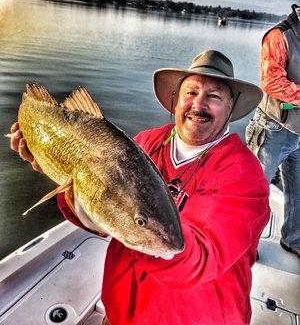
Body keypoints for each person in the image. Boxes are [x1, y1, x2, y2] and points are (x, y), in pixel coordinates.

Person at [10, 49, 270, 325]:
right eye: (190, 93)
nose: (198, 105)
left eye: (214, 96)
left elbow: (199, 258)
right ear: (176, 99)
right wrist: (55, 169)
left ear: (231, 106)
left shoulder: (245, 175)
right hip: (123, 312)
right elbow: (101, 215)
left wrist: (142, 226)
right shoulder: (146, 142)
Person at [246, 4, 300, 258]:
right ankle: (244, 245)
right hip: (272, 128)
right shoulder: (279, 36)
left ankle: (294, 240)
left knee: (299, 190)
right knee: (254, 190)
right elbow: (272, 81)